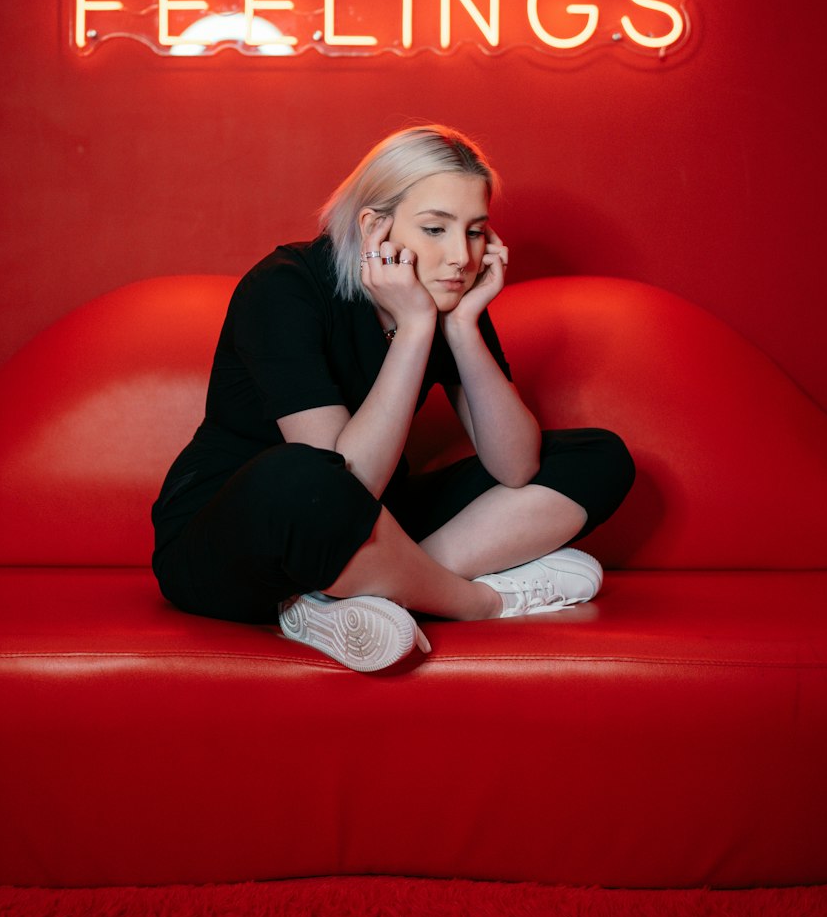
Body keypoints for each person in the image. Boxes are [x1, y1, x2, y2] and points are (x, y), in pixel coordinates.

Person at [152, 124, 634, 672]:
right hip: (237, 535)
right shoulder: (283, 288)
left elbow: (516, 467)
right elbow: (344, 479)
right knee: (302, 476)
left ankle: (351, 595)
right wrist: (412, 329)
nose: (461, 256)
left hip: (366, 521)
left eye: (476, 232)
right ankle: (472, 601)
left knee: (598, 456)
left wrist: (462, 329)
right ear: (375, 227)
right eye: (435, 229)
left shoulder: (447, 292)